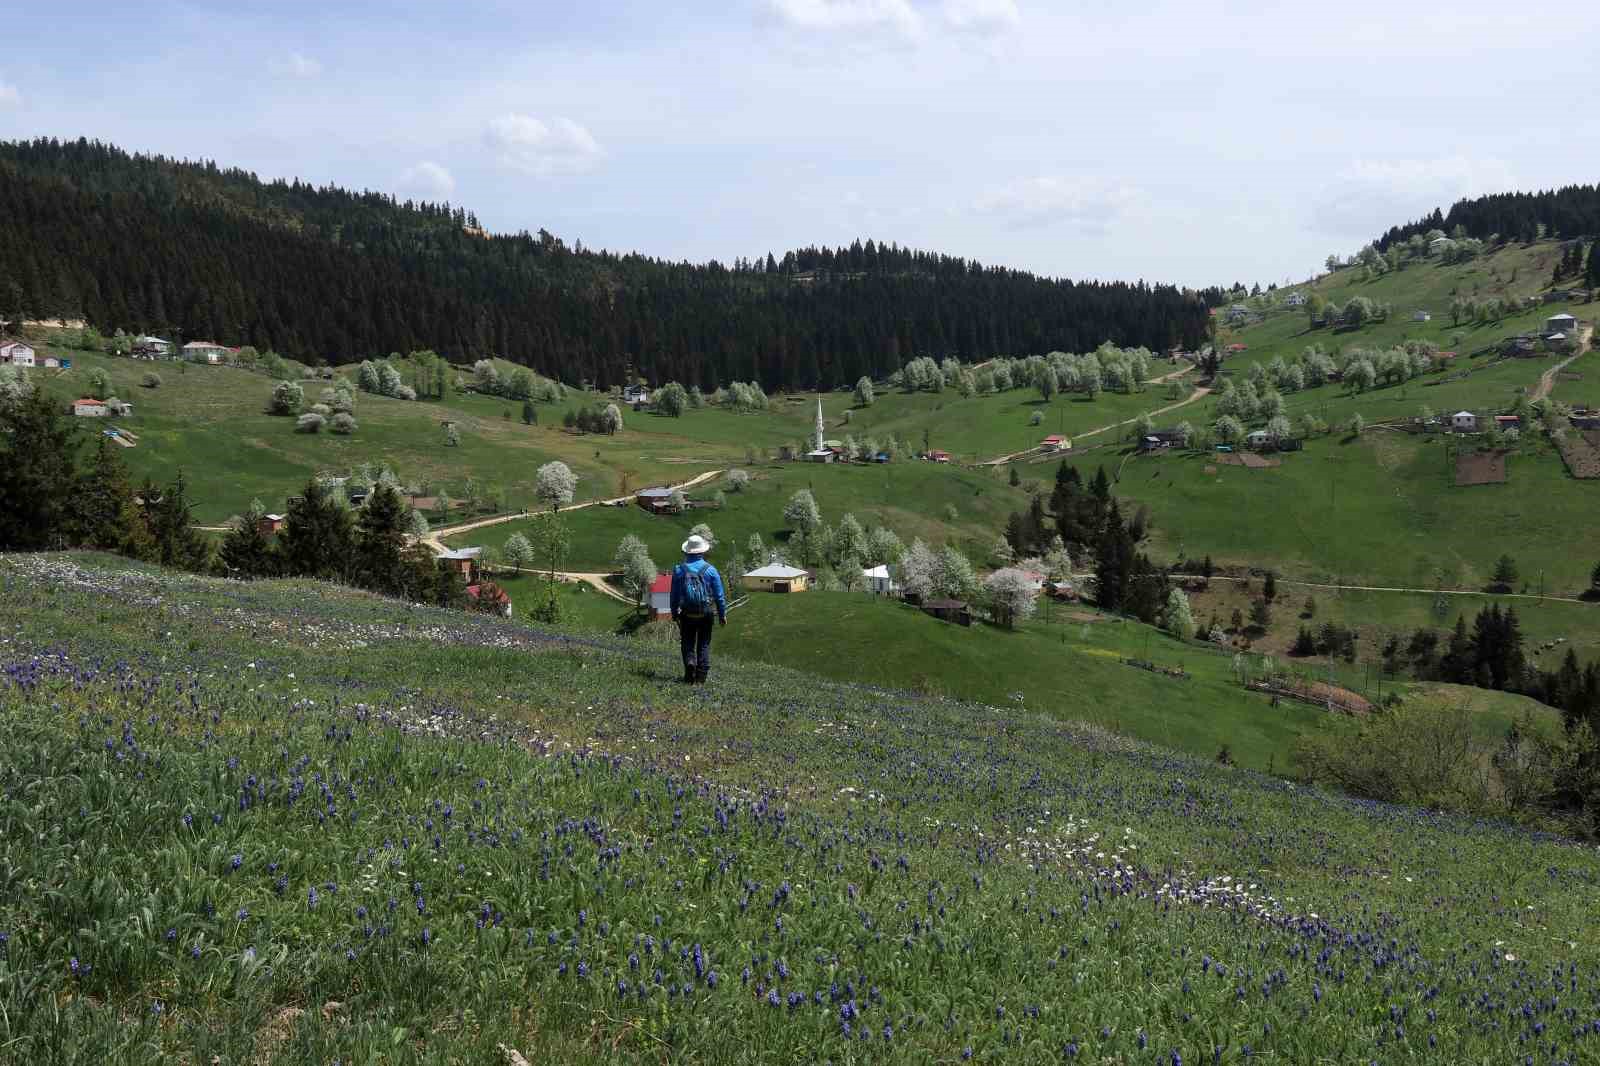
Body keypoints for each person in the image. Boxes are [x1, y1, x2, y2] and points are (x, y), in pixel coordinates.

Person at [670, 533, 726, 683]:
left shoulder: (679, 570)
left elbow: (674, 595)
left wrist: (674, 612)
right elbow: (719, 596)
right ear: (703, 551)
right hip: (705, 613)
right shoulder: (711, 570)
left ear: (686, 552)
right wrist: (722, 615)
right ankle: (701, 677)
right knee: (704, 643)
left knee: (687, 642)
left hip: (687, 613)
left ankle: (689, 666)